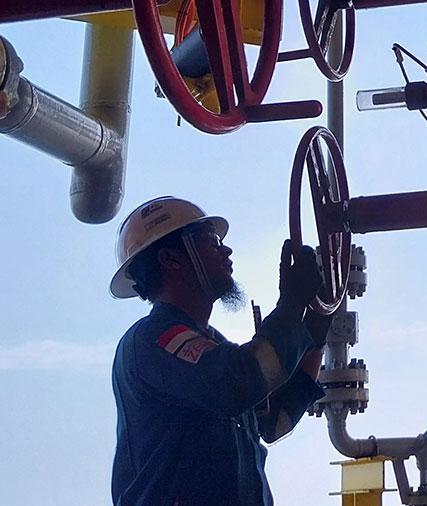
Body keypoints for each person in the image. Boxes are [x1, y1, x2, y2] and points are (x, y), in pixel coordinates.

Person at [108, 196, 331, 505]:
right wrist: (292, 304)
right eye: (212, 242)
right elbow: (239, 383)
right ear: (171, 260)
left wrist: (315, 330)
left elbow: (273, 421)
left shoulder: (212, 350)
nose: (226, 251)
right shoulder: (151, 340)